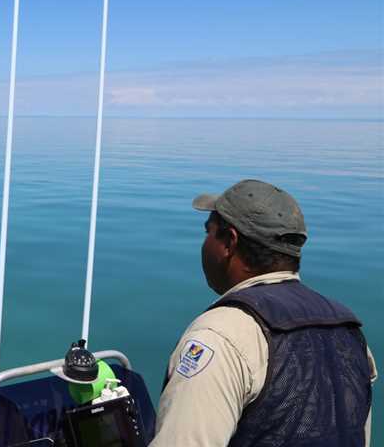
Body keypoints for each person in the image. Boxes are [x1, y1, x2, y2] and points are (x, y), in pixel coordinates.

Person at [151, 179, 376, 446]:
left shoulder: (219, 336)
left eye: (208, 231)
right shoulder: (349, 332)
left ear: (229, 243)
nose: (204, 243)